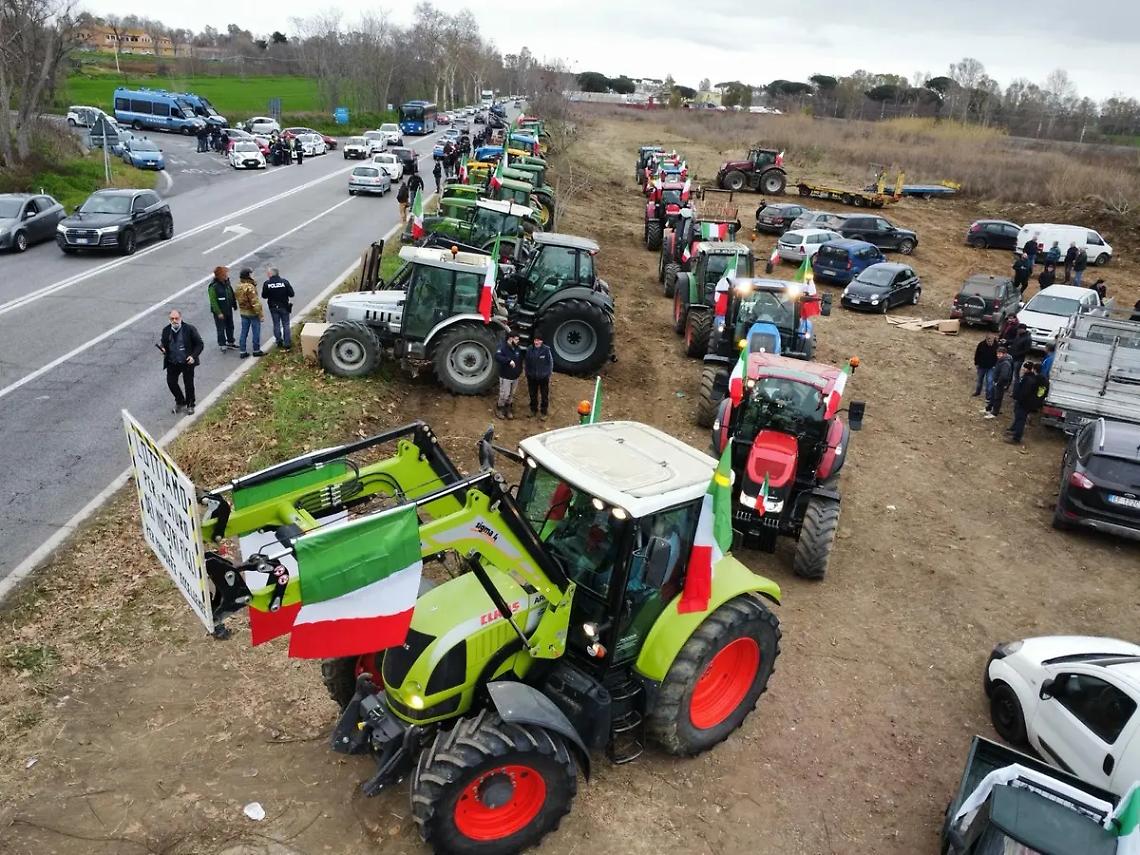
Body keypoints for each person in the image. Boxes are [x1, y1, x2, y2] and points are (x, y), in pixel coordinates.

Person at [159, 310, 203, 415]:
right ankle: (180, 401)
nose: (174, 321)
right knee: (171, 382)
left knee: (188, 384)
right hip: (172, 361)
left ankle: (190, 404)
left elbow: (199, 344)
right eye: (172, 319)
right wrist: (163, 348)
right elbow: (163, 343)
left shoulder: (189, 329)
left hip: (186, 362)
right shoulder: (166, 330)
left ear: (181, 318)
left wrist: (193, 356)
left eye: (176, 318)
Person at [1006, 362, 1046, 444]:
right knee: (1019, 416)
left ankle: (1016, 438)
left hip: (1025, 403)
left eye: (1025, 368)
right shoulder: (1038, 379)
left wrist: (1019, 398)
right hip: (1028, 403)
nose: (1023, 369)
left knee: (1021, 418)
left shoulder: (1031, 379)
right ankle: (1013, 429)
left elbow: (1025, 392)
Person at [262, 266, 295, 349]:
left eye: (268, 273)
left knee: (276, 324)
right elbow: (291, 294)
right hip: (284, 306)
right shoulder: (284, 282)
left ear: (271, 274)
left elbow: (264, 296)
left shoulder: (267, 283)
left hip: (273, 307)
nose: (267, 274)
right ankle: (287, 343)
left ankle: (279, 341)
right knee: (286, 324)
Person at [524, 333, 554, 421]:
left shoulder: (546, 350)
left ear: (542, 341)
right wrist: (527, 373)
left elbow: (550, 363)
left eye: (538, 340)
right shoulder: (529, 349)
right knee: (532, 394)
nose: (536, 342)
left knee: (544, 395)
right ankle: (533, 410)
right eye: (535, 340)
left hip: (543, 377)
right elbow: (527, 362)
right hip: (532, 377)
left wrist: (548, 374)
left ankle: (544, 412)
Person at [494, 330, 523, 419]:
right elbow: (497, 356)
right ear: (510, 339)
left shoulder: (518, 349)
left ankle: (508, 409)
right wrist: (508, 361)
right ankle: (500, 408)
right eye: (516, 339)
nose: (518, 341)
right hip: (505, 376)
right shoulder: (503, 347)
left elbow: (520, 361)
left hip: (515, 377)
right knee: (504, 394)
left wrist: (519, 371)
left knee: (511, 394)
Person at [235, 268, 265, 358]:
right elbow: (255, 302)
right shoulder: (249, 287)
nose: (253, 275)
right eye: (251, 274)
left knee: (244, 332)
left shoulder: (238, 286)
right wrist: (260, 314)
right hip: (252, 313)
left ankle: (242, 351)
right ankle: (256, 350)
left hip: (243, 312)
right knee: (256, 331)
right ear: (248, 275)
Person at [207, 266, 237, 349]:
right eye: (225, 273)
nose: (227, 275)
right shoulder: (213, 286)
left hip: (228, 309)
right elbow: (213, 301)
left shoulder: (226, 282)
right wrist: (218, 312)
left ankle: (231, 341)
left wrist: (234, 304)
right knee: (220, 328)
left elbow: (230, 293)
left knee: (230, 326)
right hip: (220, 311)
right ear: (220, 275)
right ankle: (222, 344)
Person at [985, 346, 1014, 419]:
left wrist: (998, 382)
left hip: (1000, 384)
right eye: (997, 353)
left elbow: (1004, 376)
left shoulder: (1005, 363)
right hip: (996, 382)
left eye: (1000, 354)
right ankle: (988, 409)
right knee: (992, 396)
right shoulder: (1000, 360)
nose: (998, 355)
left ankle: (994, 413)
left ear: (1004, 354)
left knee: (997, 398)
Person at [972, 332, 998, 397]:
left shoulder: (997, 346)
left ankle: (988, 395)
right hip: (981, 366)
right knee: (979, 380)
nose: (990, 343)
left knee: (989, 381)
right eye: (988, 341)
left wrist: (995, 366)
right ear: (986, 339)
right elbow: (977, 354)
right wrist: (976, 363)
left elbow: (999, 357)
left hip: (991, 367)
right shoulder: (981, 344)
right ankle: (977, 392)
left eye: (991, 341)